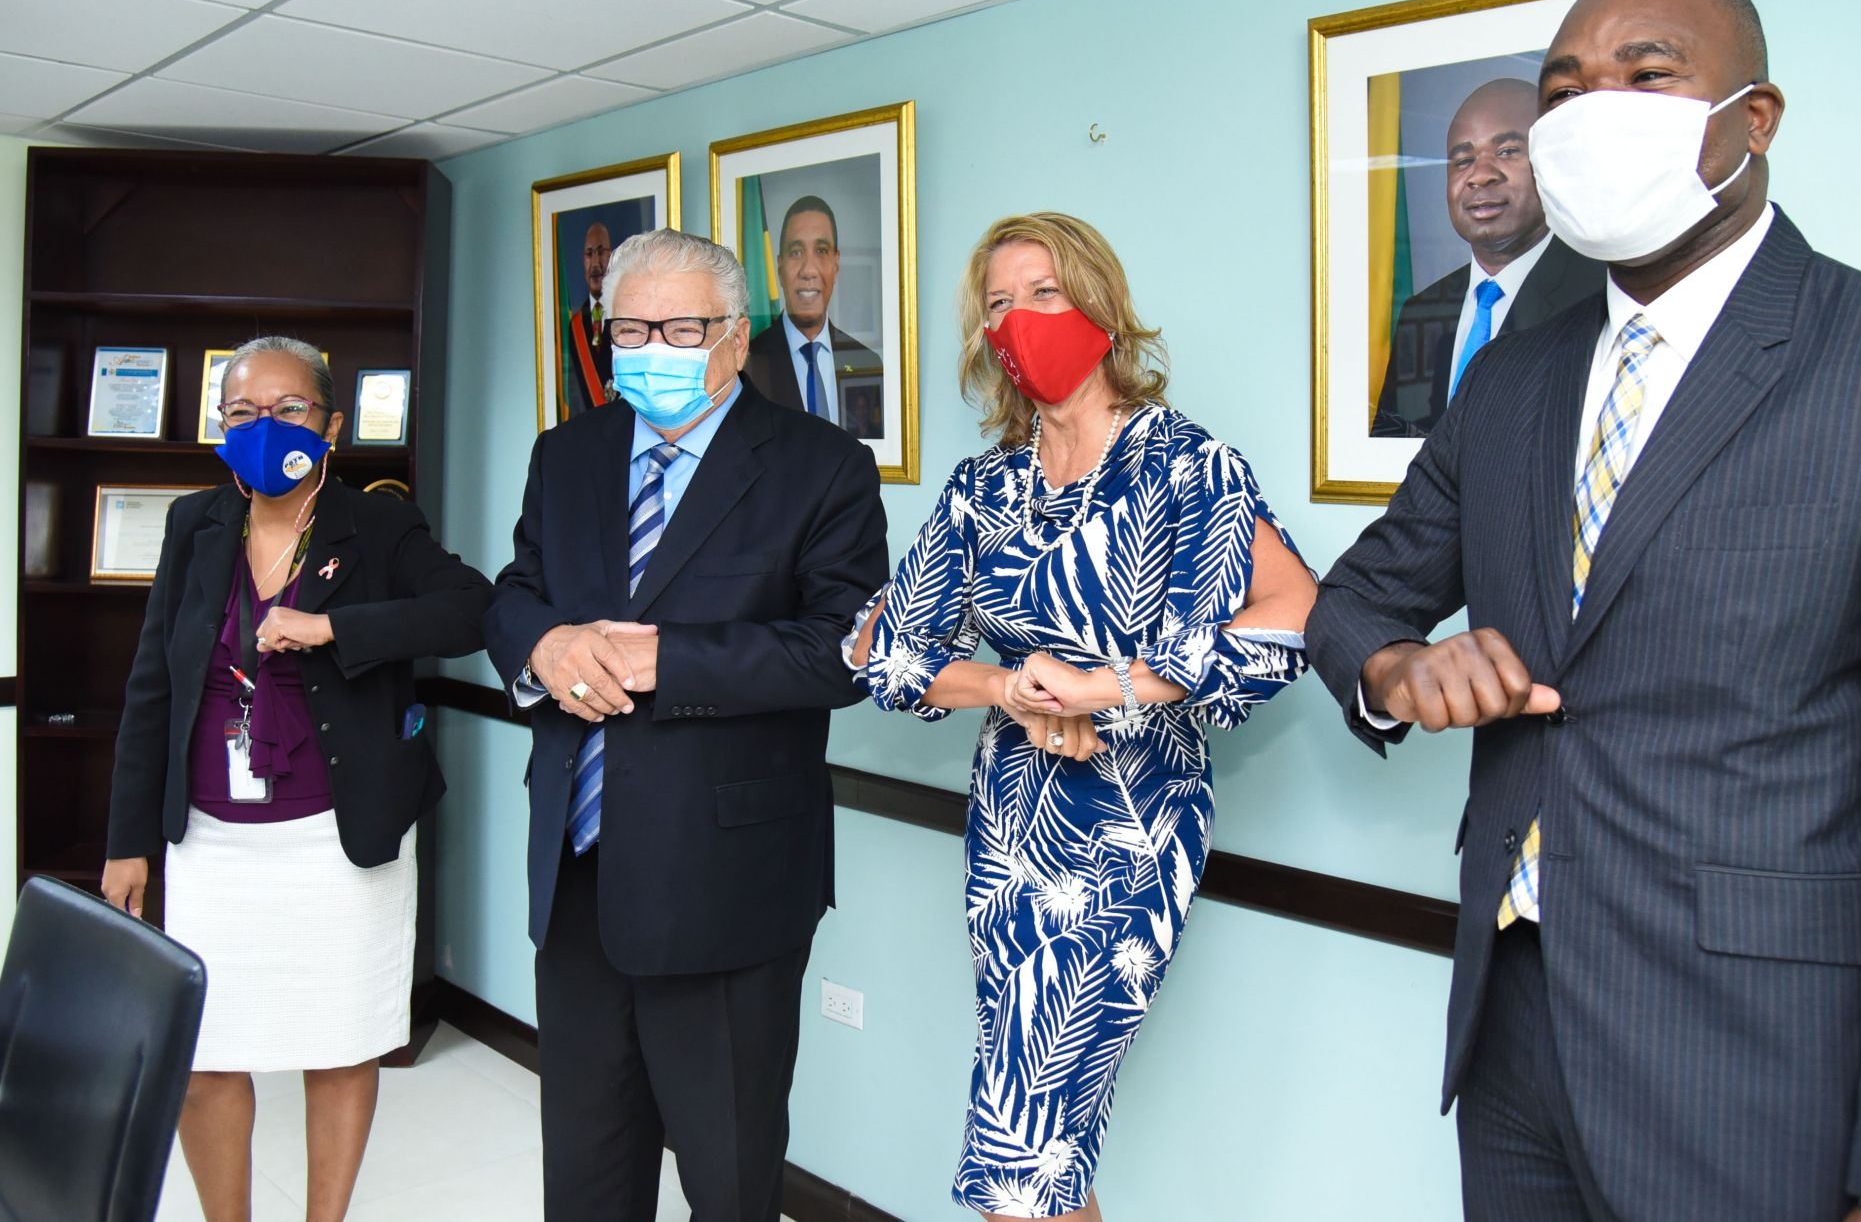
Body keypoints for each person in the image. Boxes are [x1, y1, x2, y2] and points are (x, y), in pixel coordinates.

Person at [1306, 0, 1861, 1222]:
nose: (1593, 111)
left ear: (1751, 120)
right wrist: (1395, 667)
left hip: (1754, 1062)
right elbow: (1355, 598)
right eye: (1563, 92)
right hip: (1511, 1032)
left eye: (1645, 75)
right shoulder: (1510, 381)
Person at [849, 213, 1317, 1222]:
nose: (1020, 318)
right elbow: (885, 650)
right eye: (998, 303)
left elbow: (1293, 616)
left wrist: (1107, 687)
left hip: (1132, 828)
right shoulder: (983, 488)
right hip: (1010, 825)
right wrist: (1011, 689)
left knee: (1026, 1139)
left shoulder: (1187, 465)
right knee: (1040, 1141)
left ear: (1100, 305)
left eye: (1044, 293)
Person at [487, 228, 888, 1222]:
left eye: (679, 329)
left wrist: (664, 660)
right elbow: (515, 593)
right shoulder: (567, 454)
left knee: (728, 1181)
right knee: (585, 1180)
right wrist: (543, 647)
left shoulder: (820, 466)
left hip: (727, 891)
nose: (651, 349)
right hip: (577, 878)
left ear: (734, 338)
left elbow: (840, 651)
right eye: (631, 329)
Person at [102, 335, 491, 1222]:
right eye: (241, 412)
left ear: (332, 425)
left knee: (341, 1043)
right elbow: (153, 684)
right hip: (211, 840)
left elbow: (471, 609)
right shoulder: (194, 524)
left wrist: (335, 629)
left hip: (337, 837)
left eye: (288, 409)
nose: (264, 426)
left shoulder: (378, 525)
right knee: (205, 1054)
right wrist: (128, 841)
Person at [1373, 78, 1603, 435]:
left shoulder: (1600, 295)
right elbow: (1394, 440)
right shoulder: (1422, 310)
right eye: (1463, 160)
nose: (1479, 176)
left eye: (1507, 151)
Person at [750, 194, 884, 436]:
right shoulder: (748, 364)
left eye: (821, 251)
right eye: (796, 252)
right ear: (780, 267)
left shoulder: (867, 363)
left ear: (836, 264)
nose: (809, 270)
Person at [563, 220, 614, 418]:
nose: (595, 263)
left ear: (611, 256)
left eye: (601, 252)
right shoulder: (575, 326)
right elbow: (574, 397)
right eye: (589, 253)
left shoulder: (625, 317)